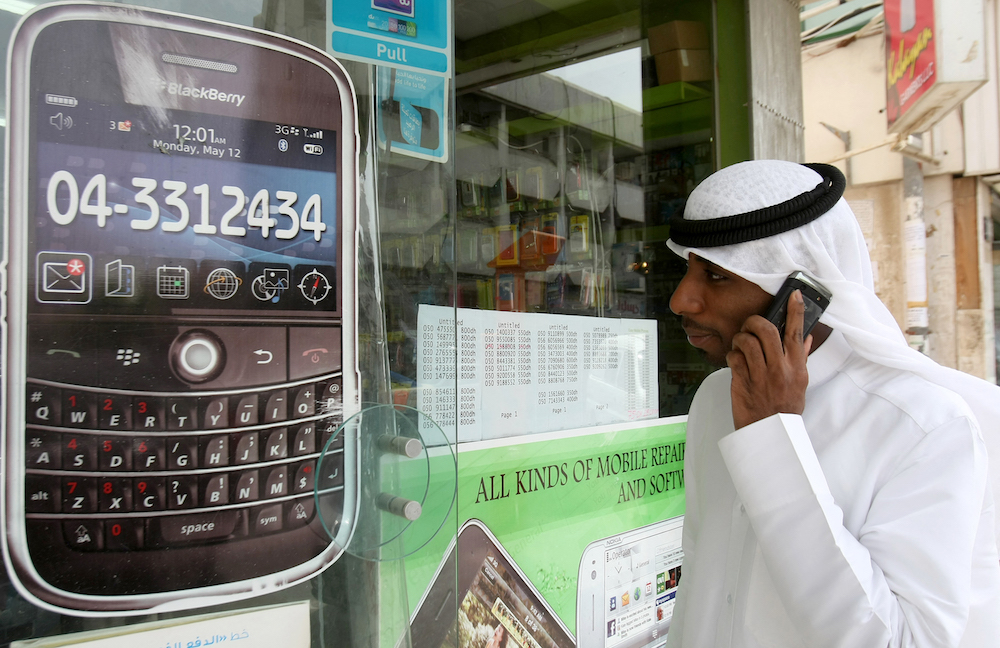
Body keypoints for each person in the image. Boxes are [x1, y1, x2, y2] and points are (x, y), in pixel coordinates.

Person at [662, 160, 1000, 648]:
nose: (681, 300)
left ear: (800, 294)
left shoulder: (923, 426)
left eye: (716, 275)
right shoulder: (716, 397)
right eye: (687, 268)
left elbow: (906, 641)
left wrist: (774, 438)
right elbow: (700, 576)